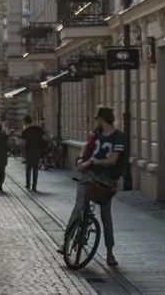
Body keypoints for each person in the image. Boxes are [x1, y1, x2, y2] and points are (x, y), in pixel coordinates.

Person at [61, 106, 126, 267]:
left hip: (106, 180)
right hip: (88, 175)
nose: (95, 121)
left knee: (106, 216)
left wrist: (92, 161)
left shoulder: (118, 137)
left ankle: (110, 253)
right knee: (79, 207)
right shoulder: (96, 134)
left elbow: (112, 160)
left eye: (97, 118)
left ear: (102, 119)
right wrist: (81, 159)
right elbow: (86, 146)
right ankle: (66, 242)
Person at [21, 115, 47, 191]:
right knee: (35, 169)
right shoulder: (39, 129)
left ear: (25, 122)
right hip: (37, 151)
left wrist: (23, 153)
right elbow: (45, 139)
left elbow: (23, 143)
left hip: (29, 152)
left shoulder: (25, 131)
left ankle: (28, 184)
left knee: (28, 168)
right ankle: (34, 186)